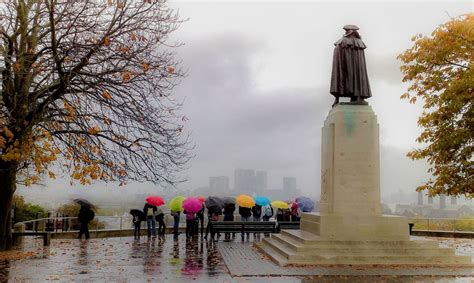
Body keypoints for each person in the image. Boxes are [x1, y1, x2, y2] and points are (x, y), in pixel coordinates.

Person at [330, 25, 372, 106]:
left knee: (356, 76)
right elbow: (338, 52)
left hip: (353, 66)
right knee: (349, 77)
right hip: (346, 65)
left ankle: (357, 96)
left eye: (347, 31)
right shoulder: (351, 42)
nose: (347, 32)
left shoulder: (355, 42)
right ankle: (356, 96)